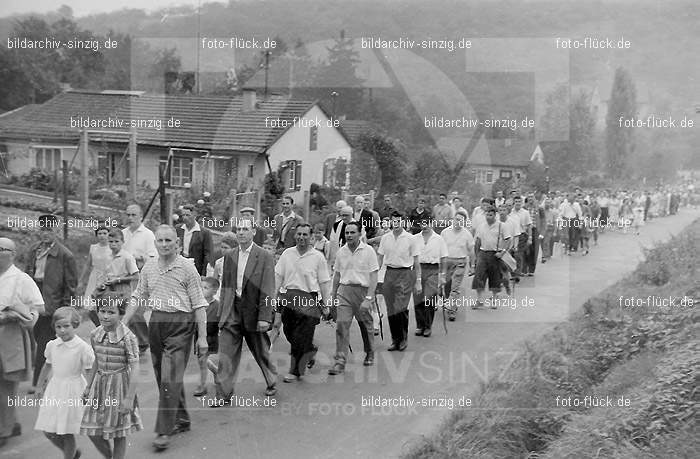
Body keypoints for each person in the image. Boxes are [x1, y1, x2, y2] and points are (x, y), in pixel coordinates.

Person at [123, 225, 209, 451]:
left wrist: (202, 338)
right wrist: (122, 323)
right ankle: (181, 418)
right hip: (157, 324)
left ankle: (163, 430)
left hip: (181, 324)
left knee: (169, 377)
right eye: (160, 240)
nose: (163, 244)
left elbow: (199, 304)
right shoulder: (149, 268)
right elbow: (138, 295)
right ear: (155, 244)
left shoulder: (187, 268)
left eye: (168, 240)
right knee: (164, 375)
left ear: (177, 244)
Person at [215, 218, 277, 405]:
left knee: (260, 350)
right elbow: (225, 286)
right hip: (233, 310)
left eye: (245, 229)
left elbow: (268, 287)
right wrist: (222, 314)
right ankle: (223, 394)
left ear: (253, 233)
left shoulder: (264, 256)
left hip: (254, 311)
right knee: (226, 353)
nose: (241, 232)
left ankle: (271, 381)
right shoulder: (230, 255)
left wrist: (265, 317)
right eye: (238, 229)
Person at [80, 294, 142, 459]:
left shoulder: (128, 337)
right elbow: (96, 361)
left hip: (119, 385)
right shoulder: (95, 334)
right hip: (99, 385)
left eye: (111, 312)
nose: (105, 316)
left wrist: (129, 398)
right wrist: (88, 386)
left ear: (121, 313)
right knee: (92, 428)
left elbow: (135, 368)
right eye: (102, 311)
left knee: (118, 432)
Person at [25, 214, 78, 392]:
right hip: (34, 301)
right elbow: (26, 277)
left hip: (51, 304)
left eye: (49, 229)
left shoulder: (65, 255)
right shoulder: (34, 250)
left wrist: (64, 309)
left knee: (43, 343)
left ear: (56, 231)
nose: (46, 233)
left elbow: (70, 285)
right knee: (36, 339)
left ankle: (37, 383)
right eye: (43, 229)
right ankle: (51, 376)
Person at [34, 307, 94, 459]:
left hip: (73, 391)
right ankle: (73, 454)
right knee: (49, 431)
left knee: (66, 432)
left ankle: (69, 455)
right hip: (55, 390)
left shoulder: (82, 348)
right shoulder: (52, 345)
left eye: (66, 326)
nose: (62, 330)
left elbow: (89, 372)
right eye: (58, 327)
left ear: (75, 324)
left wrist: (91, 391)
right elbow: (47, 366)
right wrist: (39, 386)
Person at [274, 224, 332, 382]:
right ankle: (309, 350)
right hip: (289, 299)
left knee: (300, 336)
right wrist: (274, 296)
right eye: (299, 234)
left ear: (311, 236)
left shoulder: (317, 257)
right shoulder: (287, 254)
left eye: (305, 234)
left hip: (309, 300)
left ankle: (295, 371)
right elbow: (278, 276)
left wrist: (326, 304)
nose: (301, 237)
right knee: (290, 333)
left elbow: (325, 282)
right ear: (295, 236)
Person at [0, 238, 43, 448]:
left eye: (1, 249)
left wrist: (19, 316)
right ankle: (12, 423)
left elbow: (38, 308)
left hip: (11, 337)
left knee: (6, 385)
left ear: (13, 253)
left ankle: (3, 430)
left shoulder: (21, 279)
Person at [328, 221, 379, 375]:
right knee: (341, 326)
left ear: (359, 233)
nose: (349, 235)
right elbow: (336, 275)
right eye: (347, 232)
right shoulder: (341, 252)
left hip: (363, 291)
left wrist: (369, 298)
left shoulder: (368, 251)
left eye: (352, 232)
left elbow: (374, 275)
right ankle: (340, 361)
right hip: (344, 291)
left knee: (366, 325)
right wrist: (333, 295)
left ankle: (369, 352)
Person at [377, 211, 421, 351]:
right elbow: (379, 258)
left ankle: (403, 338)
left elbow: (416, 262)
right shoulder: (385, 238)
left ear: (403, 222)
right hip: (389, 273)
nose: (396, 224)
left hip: (405, 274)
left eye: (398, 221)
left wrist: (418, 280)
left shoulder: (410, 238)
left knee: (400, 308)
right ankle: (395, 340)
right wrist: (376, 277)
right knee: (390, 308)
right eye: (393, 221)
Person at [122, 204, 156, 354]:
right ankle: (127, 341)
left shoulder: (148, 235)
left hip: (141, 276)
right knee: (122, 310)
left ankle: (143, 341)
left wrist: (141, 257)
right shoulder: (122, 233)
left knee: (136, 311)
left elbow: (154, 257)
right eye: (128, 215)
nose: (130, 218)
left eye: (133, 215)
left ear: (141, 217)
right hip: (123, 276)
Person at [412, 218, 447, 337]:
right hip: (418, 268)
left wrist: (442, 275)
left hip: (432, 269)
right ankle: (419, 325)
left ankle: (428, 326)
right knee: (418, 298)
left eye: (427, 223)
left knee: (430, 299)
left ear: (432, 224)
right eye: (422, 223)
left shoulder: (439, 239)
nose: (425, 226)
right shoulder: (415, 238)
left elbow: (443, 257)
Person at [439, 211, 474, 321]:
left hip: (460, 262)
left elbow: (471, 251)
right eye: (456, 219)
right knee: (446, 286)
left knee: (455, 287)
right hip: (447, 262)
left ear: (464, 222)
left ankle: (452, 310)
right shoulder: (445, 232)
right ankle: (447, 299)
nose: (457, 222)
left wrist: (472, 265)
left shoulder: (467, 234)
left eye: (460, 220)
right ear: (453, 219)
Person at [471, 206, 506, 307]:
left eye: (490, 215)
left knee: (495, 278)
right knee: (479, 276)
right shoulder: (481, 226)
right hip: (483, 253)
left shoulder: (501, 226)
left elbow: (508, 240)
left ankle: (494, 300)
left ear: (495, 215)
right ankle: (479, 300)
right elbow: (477, 240)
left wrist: (502, 252)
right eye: (487, 214)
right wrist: (477, 255)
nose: (488, 217)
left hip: (495, 254)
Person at [78, 226, 111, 325]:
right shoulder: (93, 248)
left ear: (108, 234)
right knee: (91, 307)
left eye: (105, 233)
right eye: (100, 233)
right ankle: (98, 325)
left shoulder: (112, 248)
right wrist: (81, 280)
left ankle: (106, 326)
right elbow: (88, 264)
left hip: (107, 278)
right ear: (96, 235)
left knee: (104, 305)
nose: (102, 236)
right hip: (95, 277)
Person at [193, 278, 220, 397]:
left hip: (211, 337)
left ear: (214, 291)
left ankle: (202, 386)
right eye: (201, 287)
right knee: (201, 360)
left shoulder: (217, 305)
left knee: (202, 361)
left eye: (206, 288)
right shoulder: (198, 304)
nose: (202, 290)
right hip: (198, 336)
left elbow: (221, 321)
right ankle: (216, 371)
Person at [177, 204, 214, 276]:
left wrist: (203, 274)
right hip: (180, 267)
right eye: (183, 215)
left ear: (195, 216)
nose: (185, 218)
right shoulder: (178, 229)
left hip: (196, 269)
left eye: (188, 215)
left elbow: (208, 255)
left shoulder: (204, 232)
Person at [206, 232, 237, 300]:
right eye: (222, 247)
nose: (223, 250)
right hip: (220, 293)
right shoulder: (219, 262)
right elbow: (214, 282)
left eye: (226, 248)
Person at [510, 196, 532, 275]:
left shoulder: (525, 213)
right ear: (514, 203)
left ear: (522, 203)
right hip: (511, 236)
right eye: (516, 202)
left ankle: (518, 272)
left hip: (521, 235)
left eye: (519, 202)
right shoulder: (510, 212)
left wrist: (530, 237)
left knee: (518, 254)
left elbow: (529, 226)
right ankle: (513, 272)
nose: (518, 203)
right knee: (511, 254)